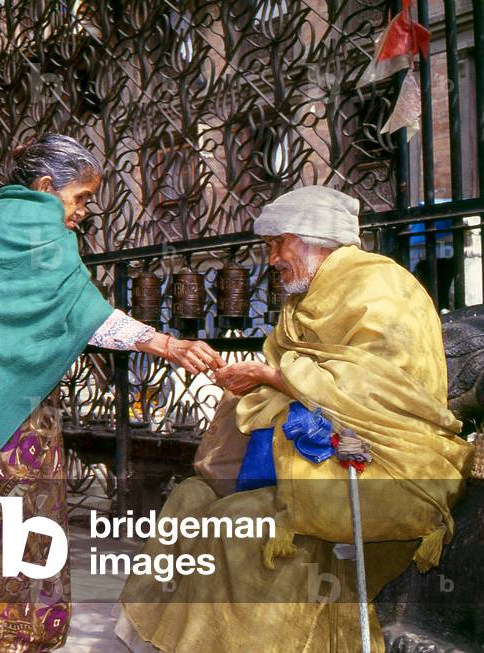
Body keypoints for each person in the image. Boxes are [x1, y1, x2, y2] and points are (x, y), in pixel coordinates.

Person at [0, 133, 225, 652]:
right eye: (81, 198)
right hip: (15, 414)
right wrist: (164, 343)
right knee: (22, 516)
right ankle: (15, 635)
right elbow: (85, 314)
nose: (83, 212)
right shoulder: (40, 228)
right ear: (47, 186)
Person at [115, 185, 474, 653]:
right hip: (296, 457)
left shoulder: (384, 288)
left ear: (312, 239)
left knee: (237, 524)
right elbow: (292, 374)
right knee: (188, 499)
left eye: (277, 244)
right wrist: (254, 380)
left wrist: (274, 376)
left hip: (384, 461)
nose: (271, 260)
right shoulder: (304, 298)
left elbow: (381, 390)